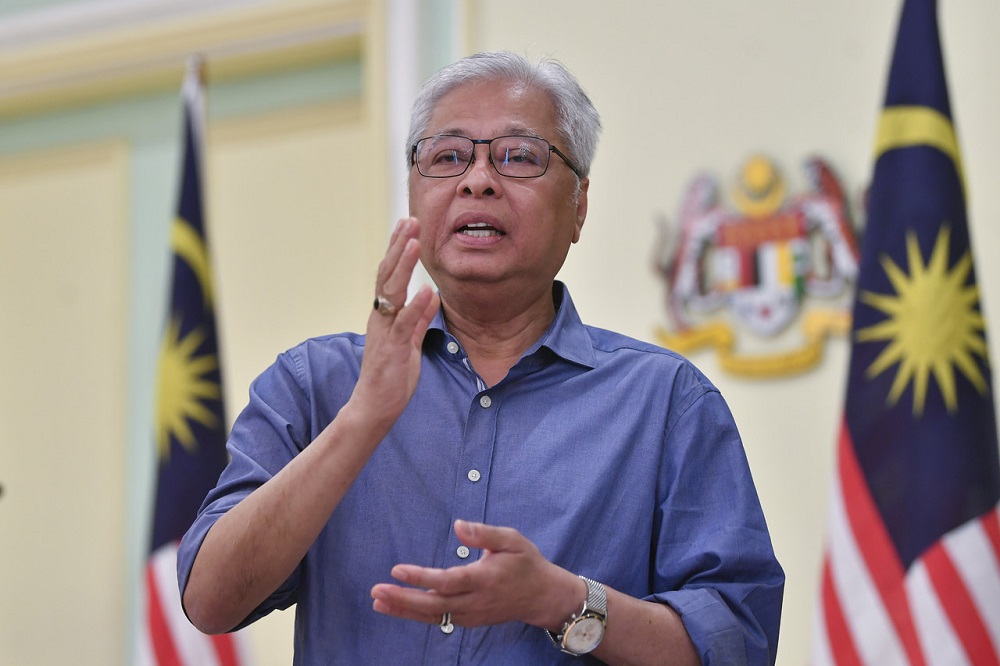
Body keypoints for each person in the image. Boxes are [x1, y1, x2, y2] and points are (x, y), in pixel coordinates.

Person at [178, 51, 784, 665]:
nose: (477, 180)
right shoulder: (315, 384)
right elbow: (210, 601)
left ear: (578, 206)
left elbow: (737, 647)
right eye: (447, 157)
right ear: (415, 192)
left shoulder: (666, 403)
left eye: (519, 156)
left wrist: (564, 600)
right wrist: (363, 417)